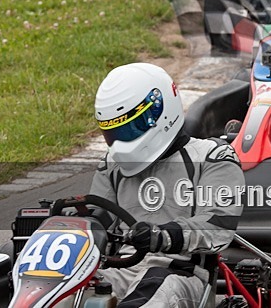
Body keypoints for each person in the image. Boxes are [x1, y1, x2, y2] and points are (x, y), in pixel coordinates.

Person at [90, 63, 244, 307]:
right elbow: (97, 219)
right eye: (114, 132)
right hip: (119, 269)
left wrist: (161, 235)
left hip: (180, 271)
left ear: (159, 111)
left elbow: (218, 225)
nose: (120, 142)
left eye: (129, 128)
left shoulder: (213, 155)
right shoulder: (111, 164)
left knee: (154, 289)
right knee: (72, 291)